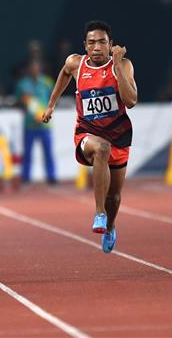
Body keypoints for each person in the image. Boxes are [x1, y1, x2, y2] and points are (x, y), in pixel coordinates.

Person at [42, 21, 137, 253]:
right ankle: (99, 214)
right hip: (87, 132)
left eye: (102, 42)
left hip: (119, 134)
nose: (97, 47)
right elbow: (64, 74)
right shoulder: (75, 64)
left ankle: (111, 225)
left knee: (114, 196)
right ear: (84, 45)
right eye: (92, 42)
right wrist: (51, 105)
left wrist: (116, 66)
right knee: (101, 148)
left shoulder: (123, 65)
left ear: (111, 45)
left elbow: (131, 101)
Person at [15, 59, 57, 184]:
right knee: (27, 152)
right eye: (32, 68)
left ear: (40, 69)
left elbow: (54, 97)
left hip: (45, 124)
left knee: (48, 152)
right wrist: (25, 106)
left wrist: (48, 110)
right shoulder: (22, 84)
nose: (34, 70)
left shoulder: (47, 82)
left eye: (36, 67)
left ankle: (51, 177)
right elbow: (17, 101)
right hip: (30, 124)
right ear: (29, 69)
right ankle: (26, 177)